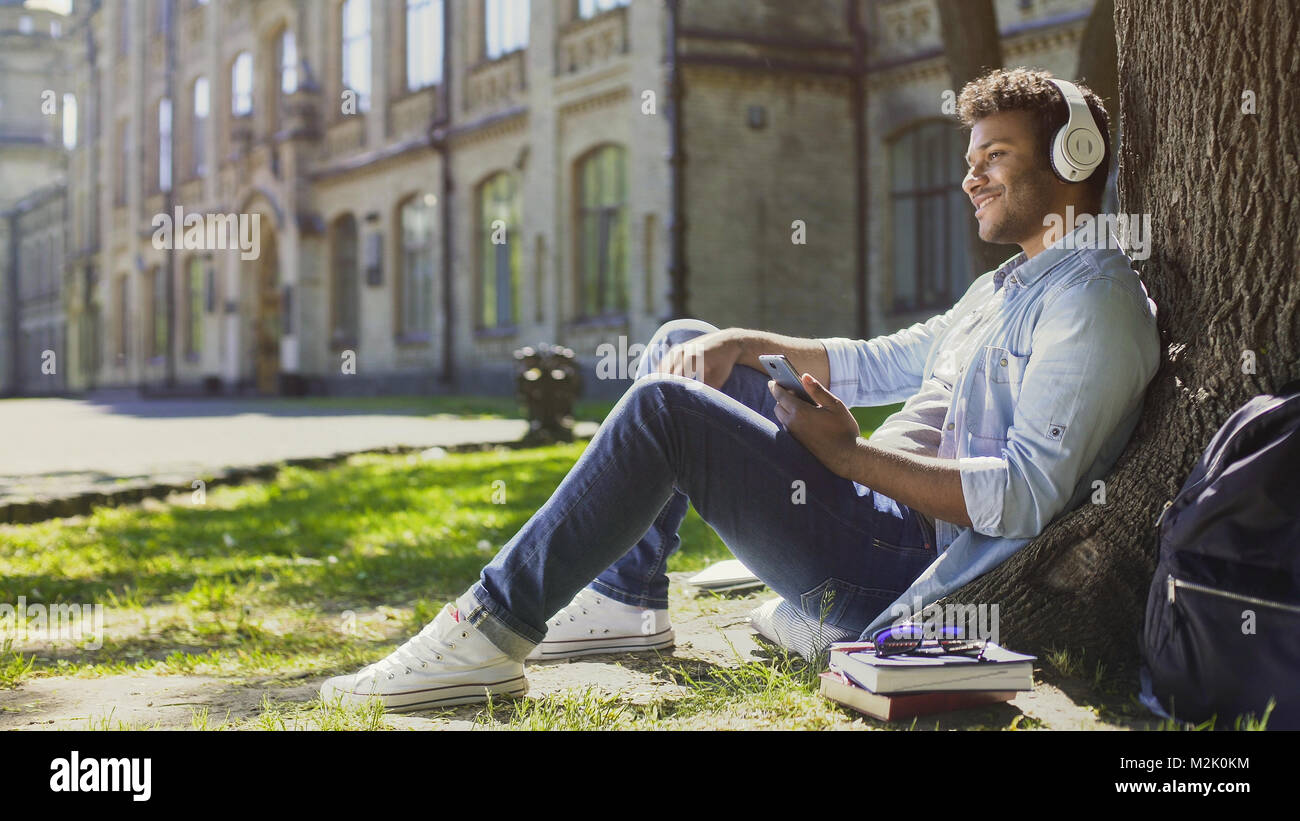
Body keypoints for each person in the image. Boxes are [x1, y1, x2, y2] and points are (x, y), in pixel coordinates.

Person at [320, 67, 1161, 711]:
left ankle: (489, 629)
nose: (971, 178)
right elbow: (882, 360)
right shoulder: (1006, 287)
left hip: (900, 563)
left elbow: (1019, 500)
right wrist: (746, 343)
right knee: (687, 349)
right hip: (860, 504)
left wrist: (851, 455)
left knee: (664, 409)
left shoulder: (1092, 300)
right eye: (969, 160)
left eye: (995, 157)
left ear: (1072, 159)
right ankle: (627, 600)